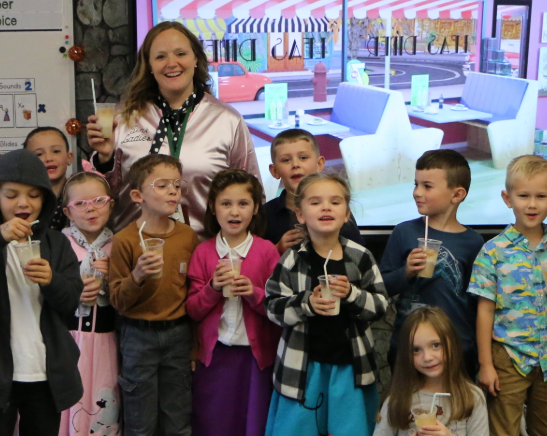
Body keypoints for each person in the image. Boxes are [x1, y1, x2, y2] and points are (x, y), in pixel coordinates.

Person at [86, 21, 261, 239]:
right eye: (160, 57)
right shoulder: (121, 119)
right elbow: (100, 198)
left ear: (195, 59)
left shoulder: (227, 120)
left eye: (180, 53)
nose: (172, 63)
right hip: (134, 252)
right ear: (149, 65)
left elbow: (252, 192)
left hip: (206, 256)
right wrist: (105, 158)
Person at [0, 149, 84, 436]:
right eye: (11, 195)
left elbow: (71, 300)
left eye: (34, 195)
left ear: (45, 199)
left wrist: (52, 281)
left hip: (46, 373)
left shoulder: (57, 243)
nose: (23, 203)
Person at [264, 173, 389, 436]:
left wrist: (353, 295)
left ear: (346, 215)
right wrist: (307, 303)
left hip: (350, 370)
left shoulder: (360, 257)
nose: (326, 208)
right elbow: (273, 308)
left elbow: (380, 306)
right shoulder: (292, 259)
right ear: (300, 214)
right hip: (302, 369)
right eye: (315, 202)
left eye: (335, 202)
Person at [468, 155, 547, 436]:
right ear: (508, 198)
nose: (532, 204)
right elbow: (484, 310)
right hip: (508, 356)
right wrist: (486, 365)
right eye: (523, 195)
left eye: (541, 196)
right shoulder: (492, 251)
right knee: (503, 430)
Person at [107, 154, 201, 436]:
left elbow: (192, 291)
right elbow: (118, 301)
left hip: (178, 334)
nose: (173, 190)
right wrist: (136, 276)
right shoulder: (125, 239)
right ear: (137, 195)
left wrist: (194, 345)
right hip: (138, 336)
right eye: (161, 185)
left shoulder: (187, 237)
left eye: (176, 184)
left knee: (178, 418)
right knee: (140, 422)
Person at [186, 169, 282, 436]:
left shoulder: (266, 251)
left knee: (253, 422)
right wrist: (213, 288)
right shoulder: (203, 252)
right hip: (215, 357)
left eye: (243, 204)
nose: (234, 212)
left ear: (255, 209)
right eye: (226, 204)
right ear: (213, 209)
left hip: (256, 358)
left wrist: (253, 293)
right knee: (213, 422)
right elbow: (193, 310)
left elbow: (278, 308)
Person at [380, 150, 482, 377]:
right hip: (409, 346)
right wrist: (406, 272)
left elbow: (476, 302)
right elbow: (381, 285)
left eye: (427, 186)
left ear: (456, 194)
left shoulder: (473, 242)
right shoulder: (404, 232)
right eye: (416, 184)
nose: (417, 192)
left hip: (457, 346)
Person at [0, 80, 81, 232]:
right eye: (39, 154)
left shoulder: (78, 193)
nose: (48, 158)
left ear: (69, 157)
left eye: (56, 151)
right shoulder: (12, 199)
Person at [58, 171, 122, 436]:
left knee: (102, 399)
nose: (91, 208)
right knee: (66, 402)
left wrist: (114, 276)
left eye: (98, 200)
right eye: (80, 204)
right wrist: (74, 293)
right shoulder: (59, 243)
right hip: (68, 340)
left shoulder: (119, 245)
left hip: (106, 341)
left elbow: (128, 293)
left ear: (111, 204)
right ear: (68, 212)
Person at [374, 307, 488, 436]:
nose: (427, 357)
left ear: (453, 345)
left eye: (436, 345)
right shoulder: (397, 400)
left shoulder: (472, 397)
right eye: (416, 350)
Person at [262, 128, 365, 253]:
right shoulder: (264, 215)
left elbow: (358, 257)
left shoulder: (334, 210)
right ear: (275, 171)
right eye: (286, 160)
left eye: (303, 157)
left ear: (319, 164)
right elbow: (251, 266)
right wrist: (276, 249)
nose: (295, 164)